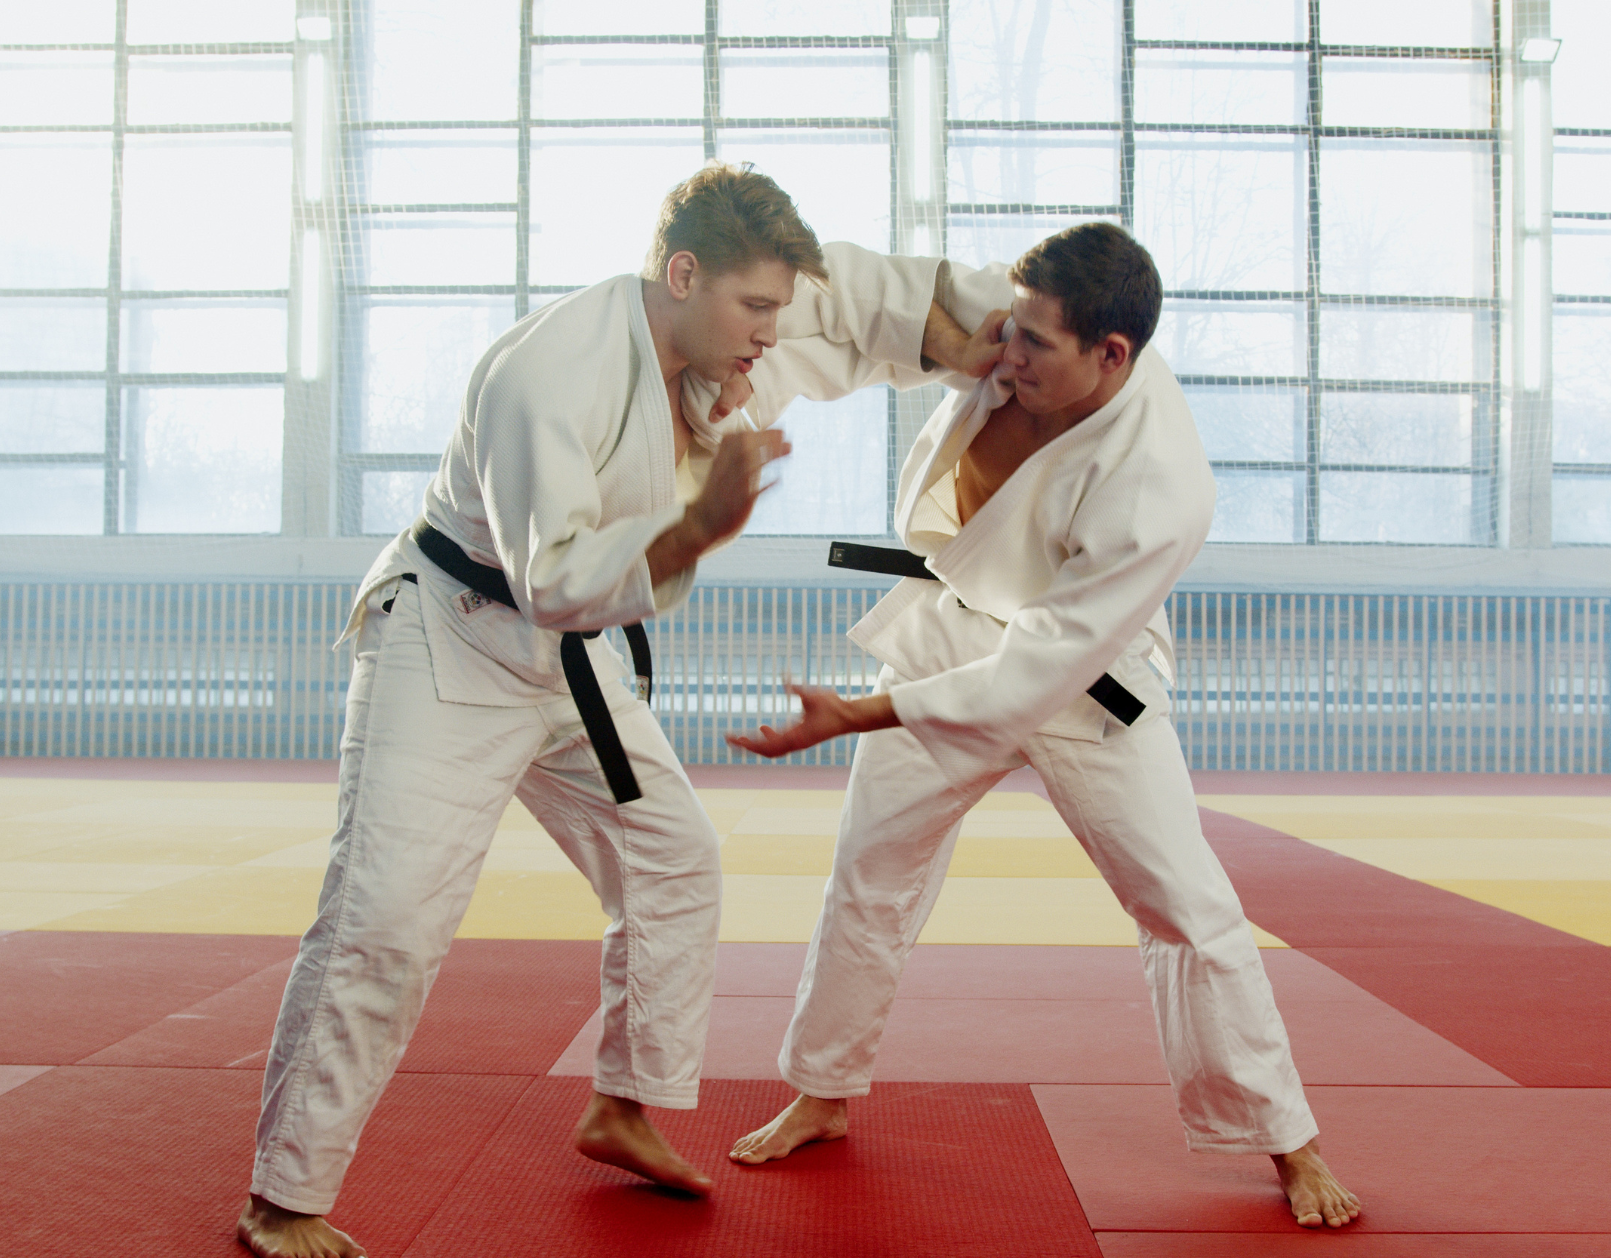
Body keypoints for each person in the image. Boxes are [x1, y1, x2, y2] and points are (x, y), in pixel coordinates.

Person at [236, 165, 967, 1258]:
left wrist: (988, 323)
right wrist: (702, 525)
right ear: (683, 273)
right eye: (757, 308)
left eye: (779, 309)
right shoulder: (552, 373)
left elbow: (856, 309)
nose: (774, 333)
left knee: (676, 859)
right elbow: (554, 583)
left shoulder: (696, 351)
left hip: (569, 671)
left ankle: (624, 1104)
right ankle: (282, 1199)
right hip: (456, 643)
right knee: (385, 918)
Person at [717, 223, 1362, 1230]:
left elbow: (1038, 668)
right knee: (871, 865)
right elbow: (851, 290)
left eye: (1033, 346)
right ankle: (824, 1090)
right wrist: (732, 352)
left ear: (1111, 355)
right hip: (952, 620)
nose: (1004, 355)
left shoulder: (1162, 485)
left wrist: (862, 711)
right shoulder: (1015, 318)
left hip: (1084, 672)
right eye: (1008, 329)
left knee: (1184, 904)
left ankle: (1289, 1137)